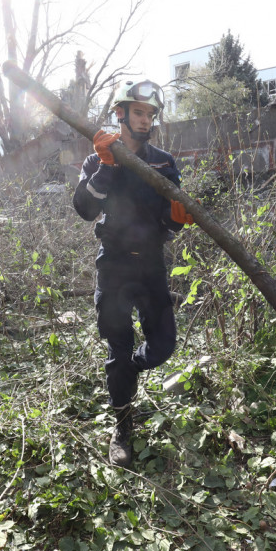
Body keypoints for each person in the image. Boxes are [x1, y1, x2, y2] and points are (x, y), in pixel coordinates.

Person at [73, 79, 194, 467]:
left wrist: (177, 220)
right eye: (137, 112)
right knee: (117, 345)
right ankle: (122, 426)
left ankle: (131, 370)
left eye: (150, 114)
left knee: (164, 345)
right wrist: (107, 168)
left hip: (152, 264)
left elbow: (169, 218)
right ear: (121, 114)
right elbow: (84, 209)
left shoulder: (163, 162)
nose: (144, 120)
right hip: (115, 263)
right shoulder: (99, 157)